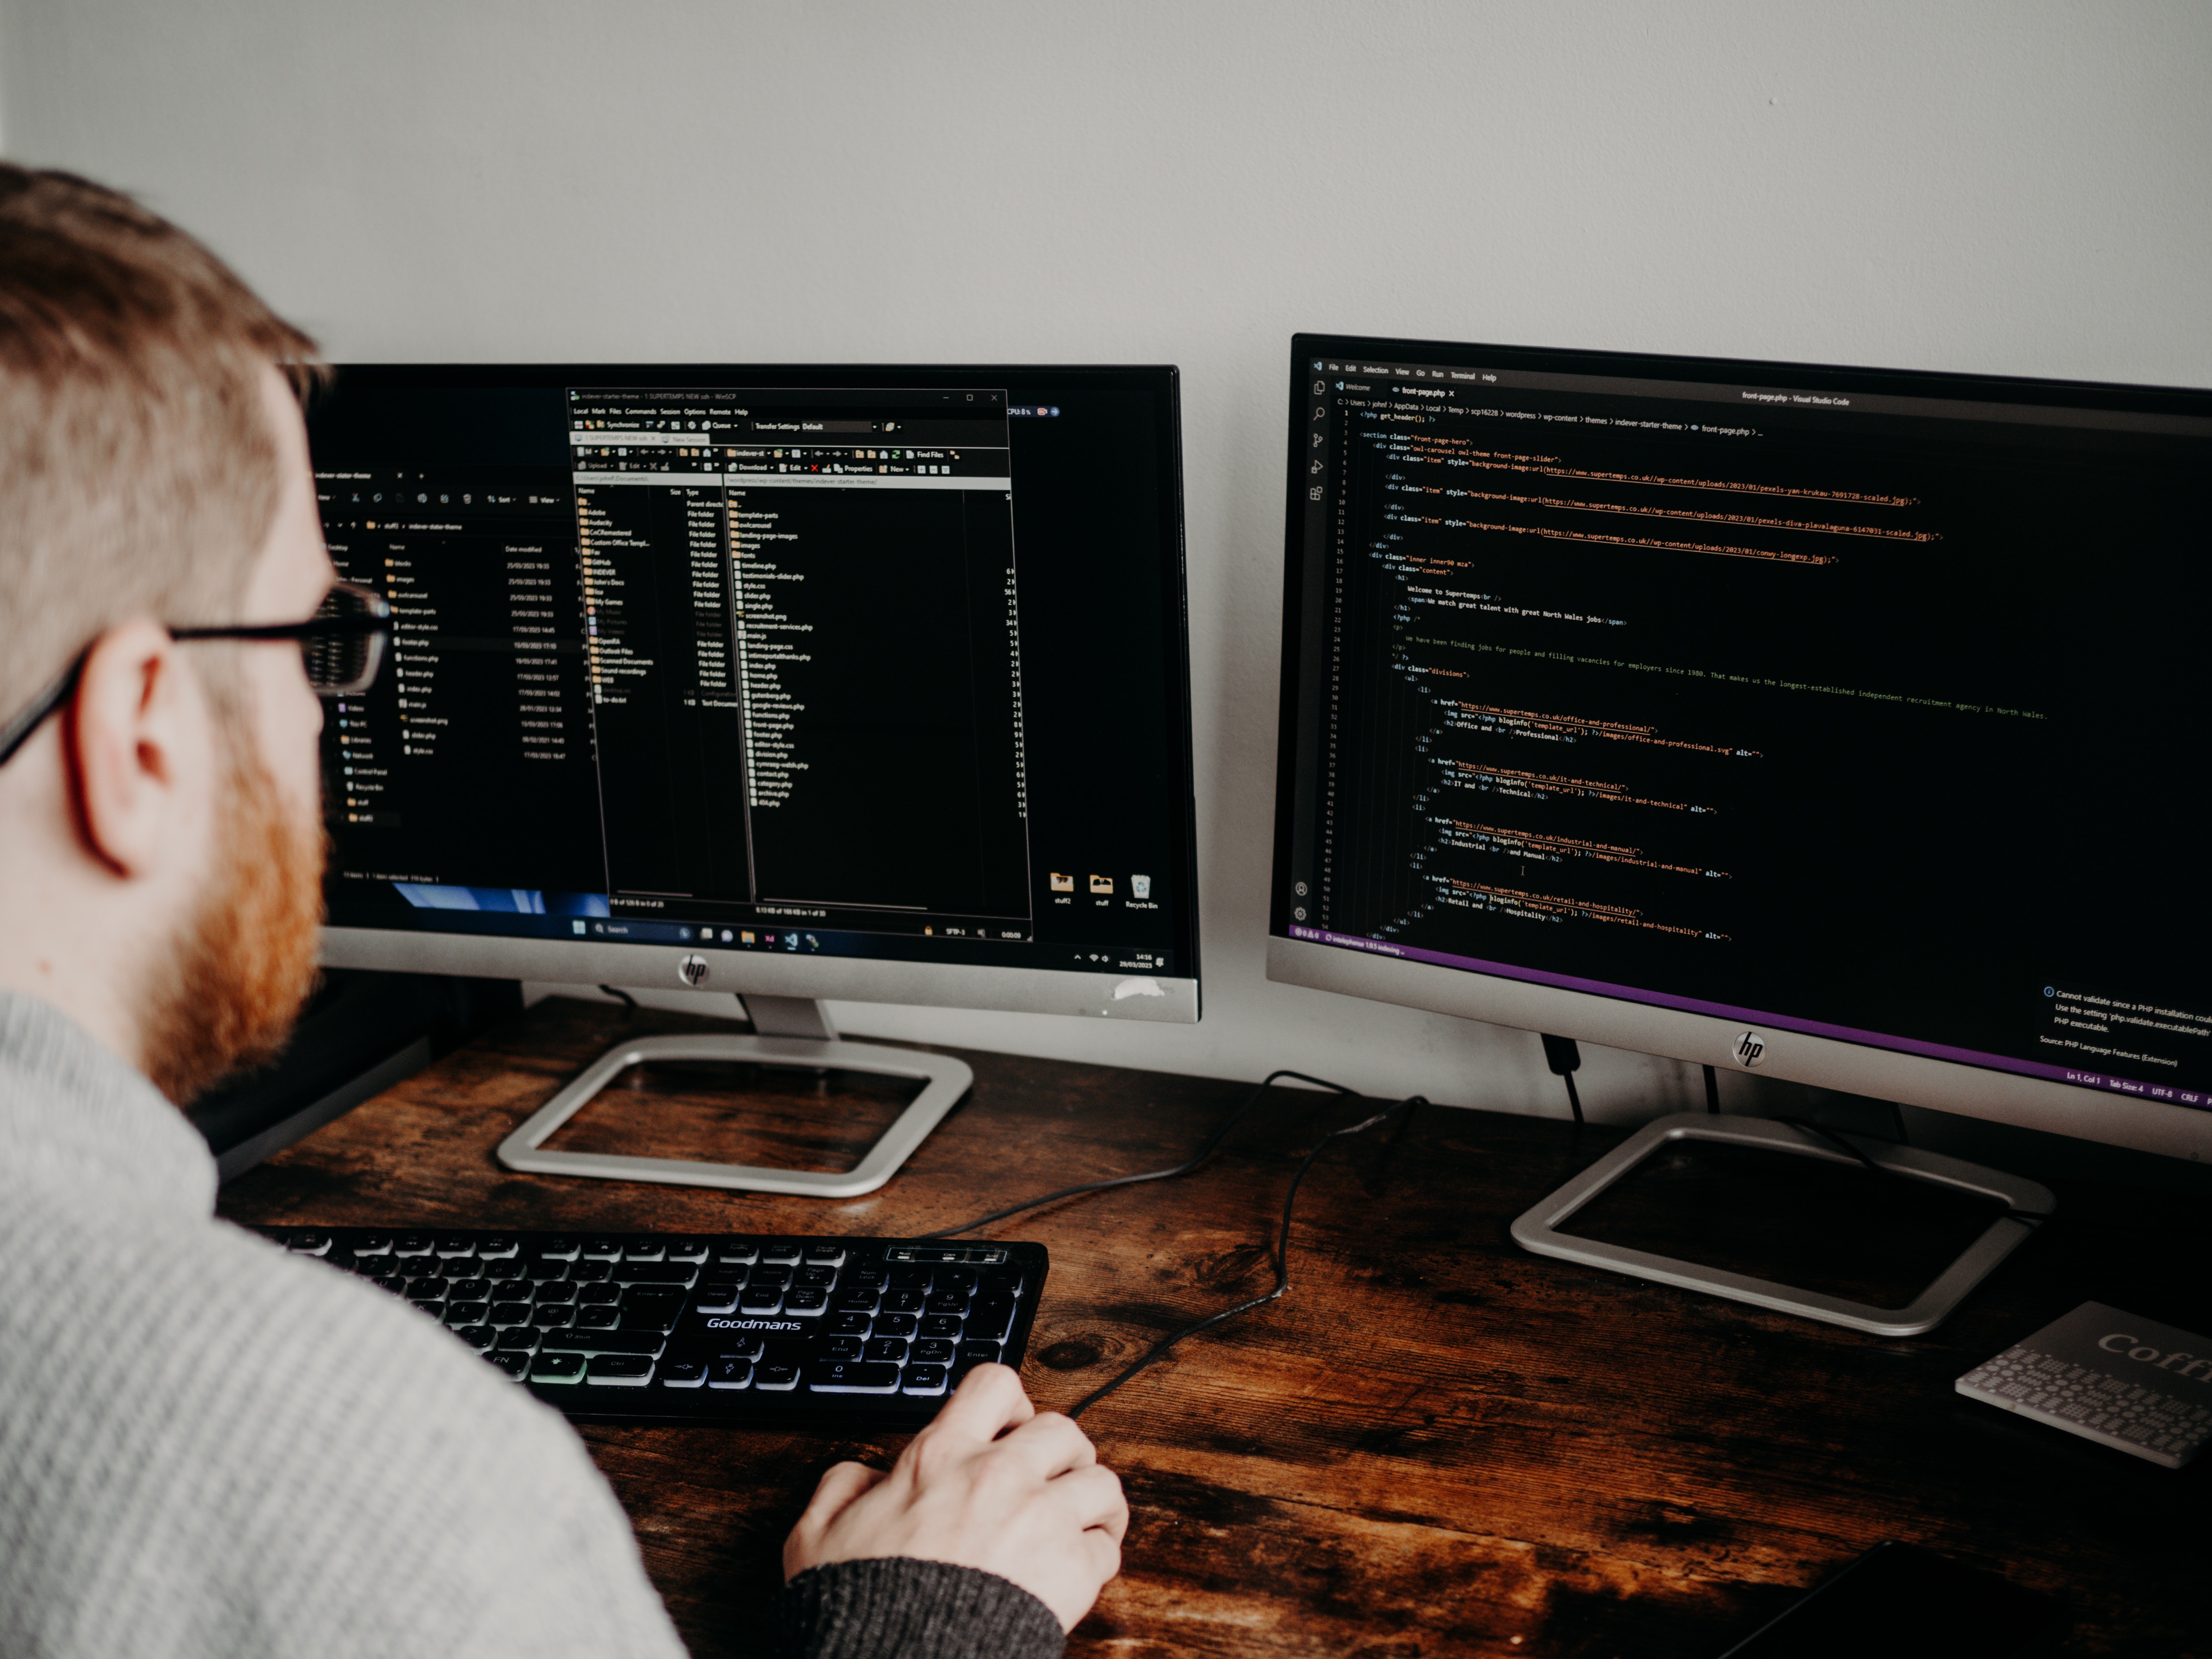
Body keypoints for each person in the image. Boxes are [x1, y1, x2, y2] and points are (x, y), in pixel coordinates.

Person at [0, 164, 1126, 1659]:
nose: (332, 715)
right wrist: (922, 1614)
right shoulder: (369, 1475)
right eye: (319, 637)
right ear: (141, 726)